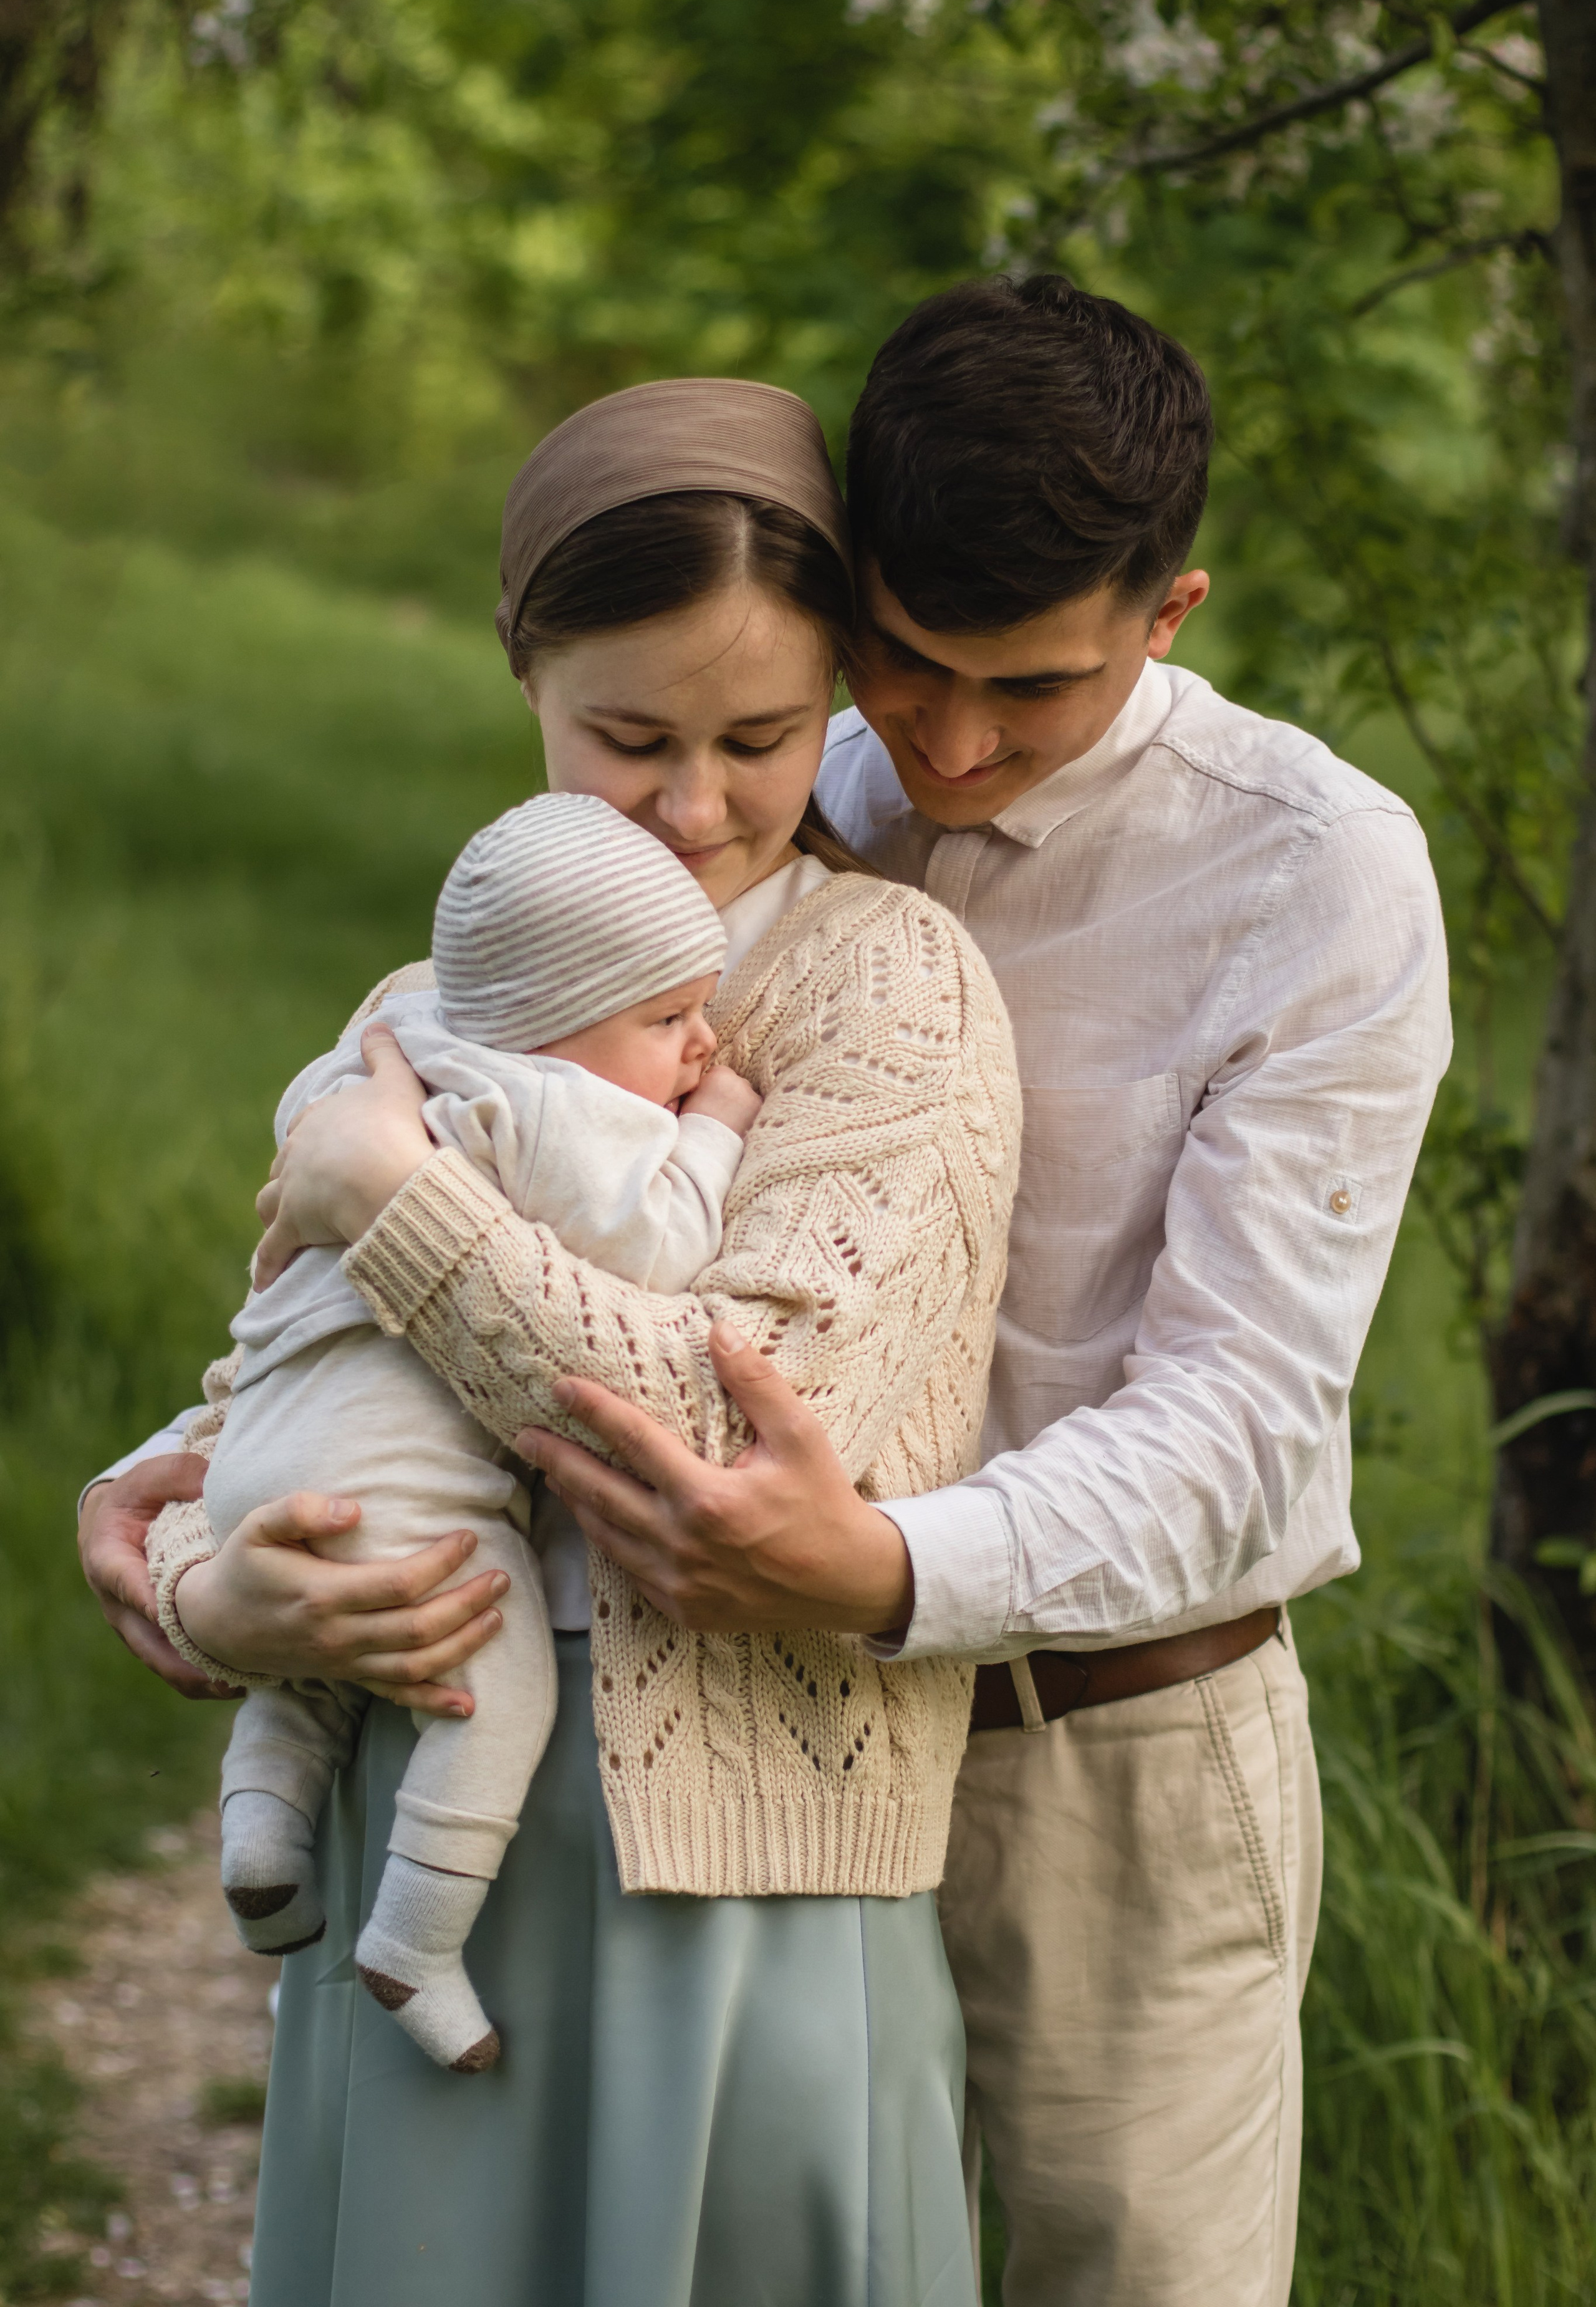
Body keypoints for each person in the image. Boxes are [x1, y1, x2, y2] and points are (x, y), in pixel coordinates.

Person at [240, 282, 1450, 2307]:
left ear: (1173, 614)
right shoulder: (770, 791)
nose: (953, 743)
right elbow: (460, 1210)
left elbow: (1244, 1423)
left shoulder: (1311, 874)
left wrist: (876, 1566)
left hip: (1106, 1751)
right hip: (735, 1719)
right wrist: (193, 1512)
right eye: (905, 665)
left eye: (1034, 689)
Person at [81, 375, 1021, 2307]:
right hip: (426, 1797)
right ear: (526, 678)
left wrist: (399, 1204)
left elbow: (751, 1448)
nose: (692, 808)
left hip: (754, 1843)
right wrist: (197, 1565)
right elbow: (289, 1370)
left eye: (762, 739)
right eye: (625, 738)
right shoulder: (444, 994)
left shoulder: (889, 981)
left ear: (840, 687)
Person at [160, 791, 759, 2073]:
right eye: (665, 1022)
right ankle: (415, 1947)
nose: (701, 1043)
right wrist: (711, 1134)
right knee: (486, 1685)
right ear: (550, 1026)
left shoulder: (381, 1049)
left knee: (323, 1659)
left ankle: (264, 1833)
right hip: (396, 1488)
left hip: (254, 1464)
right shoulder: (544, 1105)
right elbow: (662, 1248)